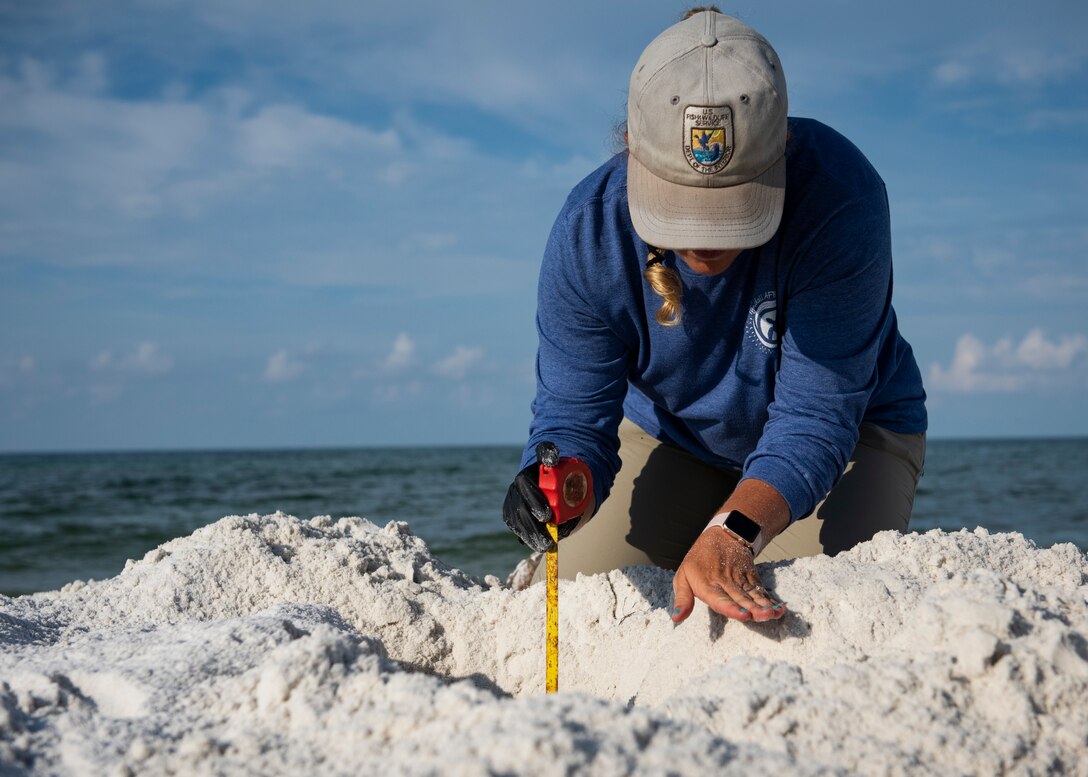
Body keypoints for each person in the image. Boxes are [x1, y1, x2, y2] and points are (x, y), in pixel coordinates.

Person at [502, 7, 927, 626]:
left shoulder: (842, 197)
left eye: (731, 208)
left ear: (781, 145)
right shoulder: (588, 232)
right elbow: (573, 417)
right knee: (576, 596)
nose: (704, 242)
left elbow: (815, 416)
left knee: (827, 613)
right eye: (681, 207)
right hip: (675, 438)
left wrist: (731, 531)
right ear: (631, 147)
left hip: (852, 433)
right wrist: (562, 476)